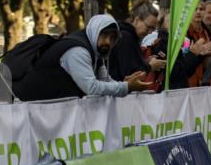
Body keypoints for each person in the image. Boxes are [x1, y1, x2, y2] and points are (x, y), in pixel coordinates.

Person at [13, 14, 150, 101]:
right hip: (28, 106)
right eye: (104, 35)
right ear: (95, 31)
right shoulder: (78, 51)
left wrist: (124, 84)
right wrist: (125, 87)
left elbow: (104, 79)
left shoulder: (97, 52)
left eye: (112, 38)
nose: (108, 42)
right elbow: (91, 87)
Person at [110, 0, 166, 82]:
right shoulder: (125, 38)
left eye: (153, 29)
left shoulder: (129, 36)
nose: (150, 32)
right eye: (148, 27)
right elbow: (129, 73)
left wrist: (144, 62)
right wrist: (150, 66)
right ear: (136, 20)